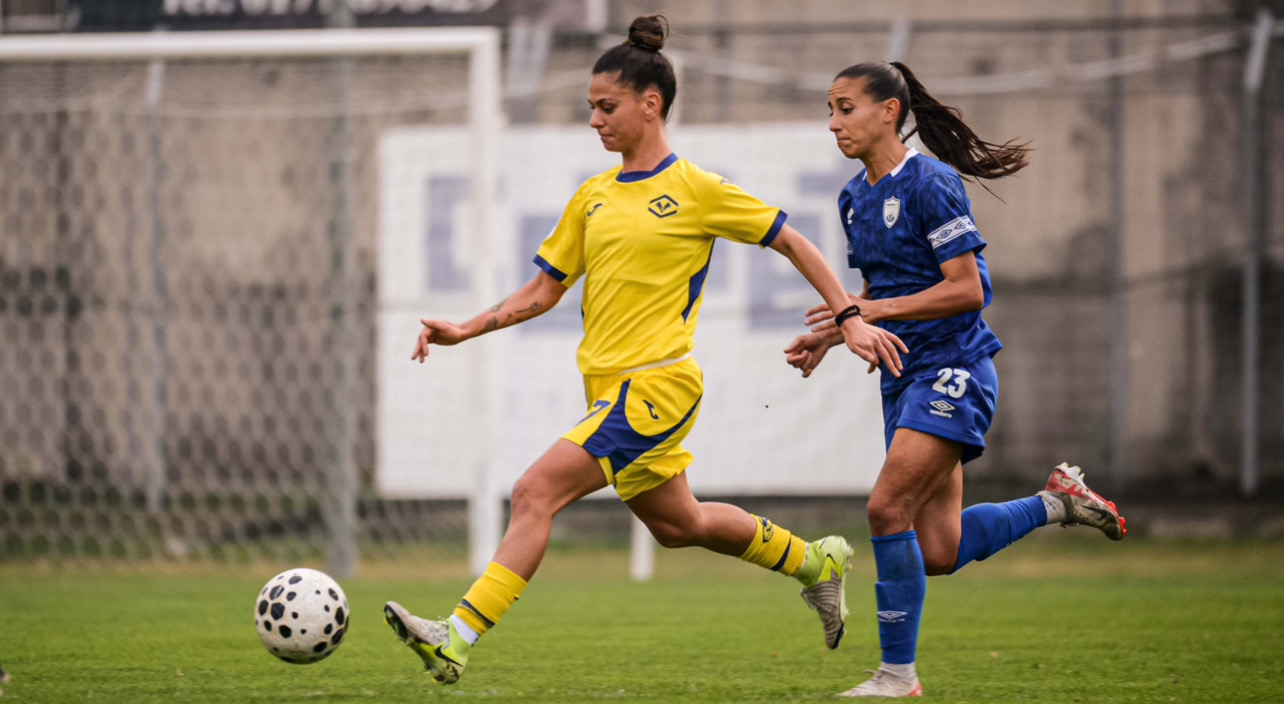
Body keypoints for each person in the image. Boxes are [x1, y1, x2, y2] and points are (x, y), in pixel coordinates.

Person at [382, 17, 908, 686]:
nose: (596, 121)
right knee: (680, 523)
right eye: (591, 109)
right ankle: (815, 563)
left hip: (658, 386)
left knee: (533, 491)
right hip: (607, 390)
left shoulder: (695, 188)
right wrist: (465, 329)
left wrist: (849, 316)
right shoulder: (592, 197)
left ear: (650, 103)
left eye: (607, 106)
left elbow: (792, 241)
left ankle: (453, 636)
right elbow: (544, 290)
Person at [784, 62, 1127, 698]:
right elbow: (873, 294)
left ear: (889, 111)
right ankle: (1059, 501)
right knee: (938, 550)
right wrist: (834, 333)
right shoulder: (853, 197)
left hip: (955, 368)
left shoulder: (932, 182)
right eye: (829, 109)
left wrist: (870, 312)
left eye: (846, 107)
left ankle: (896, 676)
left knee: (886, 509)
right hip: (900, 375)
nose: (834, 122)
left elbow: (967, 290)